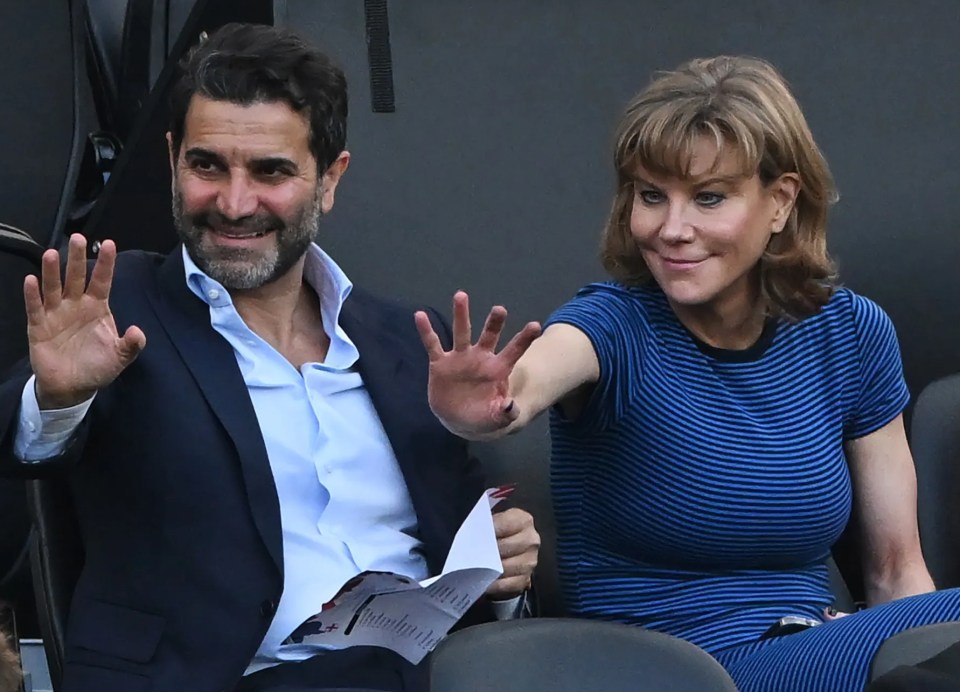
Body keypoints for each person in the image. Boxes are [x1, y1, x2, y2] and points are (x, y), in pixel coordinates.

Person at [0, 23, 539, 692]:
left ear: (330, 179)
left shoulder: (407, 340)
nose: (233, 203)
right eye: (207, 165)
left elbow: (474, 566)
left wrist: (505, 569)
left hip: (425, 675)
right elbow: (20, 444)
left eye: (270, 171)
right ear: (172, 159)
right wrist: (55, 399)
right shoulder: (119, 306)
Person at [415, 55, 960, 691]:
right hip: (666, 670)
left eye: (708, 198)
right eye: (652, 196)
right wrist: (489, 407)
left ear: (780, 201)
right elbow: (529, 384)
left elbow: (897, 574)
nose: (672, 229)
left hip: (820, 649)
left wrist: (919, 662)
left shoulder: (852, 333)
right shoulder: (614, 325)